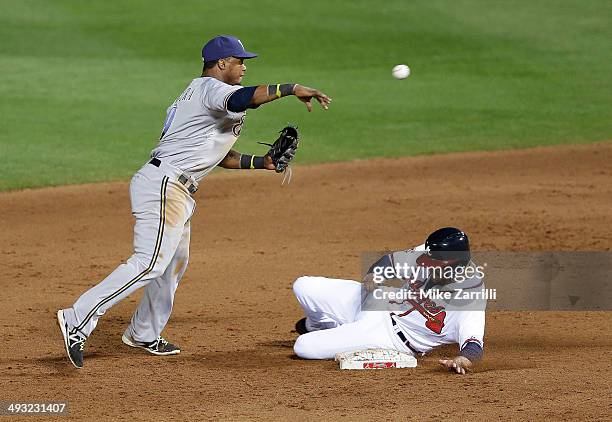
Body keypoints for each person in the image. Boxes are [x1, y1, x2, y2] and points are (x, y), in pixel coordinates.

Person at [57, 35, 332, 368]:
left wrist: (262, 162)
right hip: (165, 185)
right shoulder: (211, 90)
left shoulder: (202, 97)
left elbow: (217, 155)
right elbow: (248, 98)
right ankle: (78, 317)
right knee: (149, 262)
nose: (244, 67)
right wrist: (290, 88)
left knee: (172, 264)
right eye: (239, 61)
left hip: (175, 187)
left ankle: (143, 332)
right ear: (221, 64)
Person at [292, 227, 486, 375]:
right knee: (302, 286)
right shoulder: (431, 253)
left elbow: (474, 345)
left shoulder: (470, 299)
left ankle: (339, 330)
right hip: (380, 299)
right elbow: (388, 262)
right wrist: (373, 276)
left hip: (386, 336)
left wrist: (464, 360)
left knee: (303, 346)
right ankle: (321, 325)